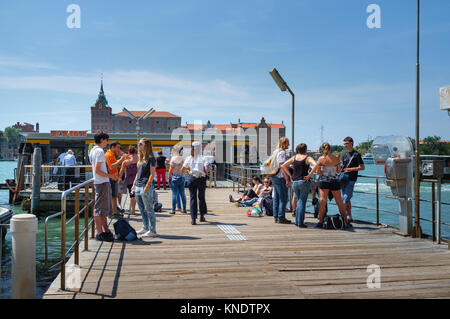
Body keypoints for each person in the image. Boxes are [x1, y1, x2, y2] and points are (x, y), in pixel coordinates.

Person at [305, 142, 351, 228]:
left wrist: (320, 170)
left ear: (323, 150)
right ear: (331, 149)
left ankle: (320, 221)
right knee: (339, 202)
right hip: (334, 181)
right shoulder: (336, 158)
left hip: (323, 181)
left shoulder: (321, 159)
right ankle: (346, 221)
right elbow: (338, 170)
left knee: (322, 201)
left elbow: (318, 172)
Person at [88, 132, 117, 242]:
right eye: (106, 140)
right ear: (102, 140)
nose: (107, 143)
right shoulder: (100, 151)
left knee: (101, 208)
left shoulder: (93, 151)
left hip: (99, 182)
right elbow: (97, 170)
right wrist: (110, 176)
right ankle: (100, 233)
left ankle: (105, 231)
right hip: (102, 183)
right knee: (99, 209)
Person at [282, 143, 317, 228]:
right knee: (302, 202)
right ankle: (300, 222)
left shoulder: (294, 158)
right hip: (304, 181)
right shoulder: (307, 158)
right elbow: (316, 165)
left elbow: (283, 165)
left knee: (298, 201)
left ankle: (297, 221)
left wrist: (290, 176)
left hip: (295, 182)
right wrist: (309, 175)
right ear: (305, 150)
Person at [132, 138, 158, 238]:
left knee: (149, 209)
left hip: (145, 185)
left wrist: (148, 185)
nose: (138, 145)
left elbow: (152, 173)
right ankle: (145, 227)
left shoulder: (151, 158)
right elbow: (137, 173)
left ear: (146, 145)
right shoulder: (141, 158)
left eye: (140, 144)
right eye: (138, 143)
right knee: (142, 209)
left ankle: (153, 230)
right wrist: (134, 184)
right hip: (138, 185)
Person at [182, 142, 209, 225]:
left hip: (192, 178)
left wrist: (189, 172)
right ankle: (202, 216)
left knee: (193, 198)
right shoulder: (203, 158)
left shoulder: (189, 158)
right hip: (201, 179)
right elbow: (207, 169)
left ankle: (193, 218)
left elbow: (182, 169)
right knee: (201, 197)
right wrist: (205, 172)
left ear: (192, 149)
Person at [340, 137, 365, 223]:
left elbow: (362, 167)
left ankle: (343, 217)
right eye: (344, 144)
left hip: (351, 179)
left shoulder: (357, 154)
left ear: (351, 143)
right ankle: (349, 215)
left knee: (346, 199)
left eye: (346, 143)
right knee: (345, 199)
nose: (345, 145)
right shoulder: (344, 155)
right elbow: (341, 167)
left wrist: (351, 169)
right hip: (343, 179)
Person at [270, 137, 292, 224]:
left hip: (274, 176)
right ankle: (281, 217)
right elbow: (282, 166)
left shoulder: (275, 151)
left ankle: (276, 217)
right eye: (288, 143)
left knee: (276, 198)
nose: (289, 145)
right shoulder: (282, 152)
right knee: (284, 198)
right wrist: (287, 178)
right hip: (280, 177)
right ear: (284, 143)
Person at [105, 141, 127, 217]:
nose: (118, 149)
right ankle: (114, 213)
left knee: (114, 196)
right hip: (111, 178)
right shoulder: (109, 155)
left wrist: (120, 157)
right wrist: (121, 160)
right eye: (117, 147)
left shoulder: (112, 154)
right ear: (112, 147)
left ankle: (115, 211)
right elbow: (111, 166)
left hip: (114, 178)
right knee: (113, 196)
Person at [118, 146, 138, 215]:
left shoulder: (126, 161)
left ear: (128, 152)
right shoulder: (138, 158)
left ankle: (133, 210)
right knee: (137, 194)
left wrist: (119, 178)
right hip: (138, 178)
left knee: (132, 195)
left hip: (129, 179)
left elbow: (121, 171)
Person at [168, 145, 187, 215]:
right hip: (181, 177)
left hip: (174, 177)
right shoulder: (183, 158)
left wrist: (168, 177)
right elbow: (184, 168)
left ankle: (173, 210)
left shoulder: (173, 158)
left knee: (174, 194)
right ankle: (184, 209)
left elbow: (171, 169)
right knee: (182, 193)